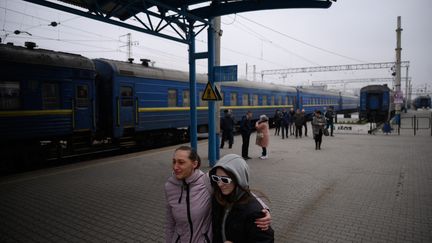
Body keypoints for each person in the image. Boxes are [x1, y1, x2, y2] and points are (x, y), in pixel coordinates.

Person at [165, 146, 271, 243]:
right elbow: (170, 222)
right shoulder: (169, 186)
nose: (175, 167)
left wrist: (263, 210)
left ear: (194, 164)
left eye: (181, 162)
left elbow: (242, 190)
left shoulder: (206, 181)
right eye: (174, 161)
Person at [210, 154, 274, 243]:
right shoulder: (218, 198)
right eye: (216, 178)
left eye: (225, 180)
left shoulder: (255, 213)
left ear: (239, 179)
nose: (220, 184)